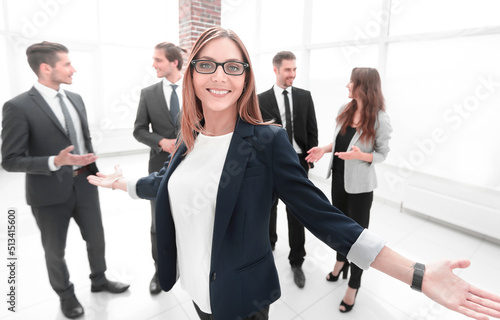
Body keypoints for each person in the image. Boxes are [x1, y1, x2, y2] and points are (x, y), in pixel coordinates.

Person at [87, 27, 500, 320]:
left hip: (241, 300)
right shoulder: (189, 137)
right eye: (207, 65)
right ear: (191, 72)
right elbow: (166, 185)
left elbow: (323, 216)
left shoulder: (267, 142)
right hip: (196, 291)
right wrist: (121, 183)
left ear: (246, 78)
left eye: (233, 67)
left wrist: (417, 274)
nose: (218, 76)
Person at [1, 41, 129, 319]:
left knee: (96, 238)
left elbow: (83, 141)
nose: (74, 69)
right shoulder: (17, 107)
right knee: (54, 250)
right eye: (67, 64)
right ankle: (66, 295)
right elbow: (9, 160)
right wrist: (54, 162)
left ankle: (99, 280)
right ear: (46, 68)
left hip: (85, 184)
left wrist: (96, 172)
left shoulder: (76, 99)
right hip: (47, 191)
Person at [306, 67, 392, 312]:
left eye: (351, 82)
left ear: (363, 86)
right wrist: (324, 149)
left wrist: (361, 155)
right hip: (339, 181)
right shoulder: (345, 110)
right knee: (339, 229)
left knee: (359, 238)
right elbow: (340, 140)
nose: (347, 85)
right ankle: (340, 262)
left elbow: (382, 154)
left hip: (361, 187)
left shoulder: (380, 119)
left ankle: (354, 285)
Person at [258, 51, 318, 288]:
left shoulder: (305, 97)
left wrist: (310, 158)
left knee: (297, 212)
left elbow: (312, 128)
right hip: (269, 163)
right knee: (268, 208)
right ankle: (269, 245)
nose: (292, 74)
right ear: (275, 70)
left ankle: (297, 261)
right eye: (287, 70)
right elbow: (257, 134)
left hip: (298, 162)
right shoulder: (261, 99)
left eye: (294, 69)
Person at [133, 41, 186, 294]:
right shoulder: (148, 93)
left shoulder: (198, 88)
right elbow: (139, 130)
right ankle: (159, 270)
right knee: (158, 223)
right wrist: (160, 142)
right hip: (159, 167)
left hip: (194, 165)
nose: (153, 64)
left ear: (174, 62)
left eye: (158, 60)